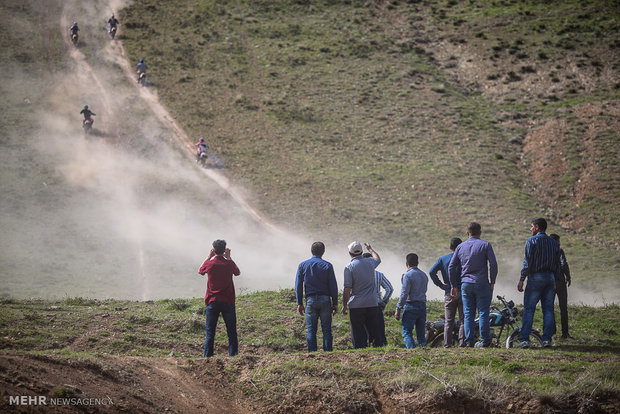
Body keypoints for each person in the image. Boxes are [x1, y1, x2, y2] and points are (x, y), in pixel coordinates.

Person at [448, 222, 498, 348]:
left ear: (467, 233)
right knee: (483, 312)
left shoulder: (460, 247)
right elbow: (493, 264)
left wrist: (453, 285)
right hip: (482, 282)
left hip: (466, 284)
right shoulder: (485, 245)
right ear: (480, 232)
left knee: (468, 313)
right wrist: (492, 281)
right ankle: (485, 341)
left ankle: (469, 341)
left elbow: (451, 267)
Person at [517, 218, 560, 348]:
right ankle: (547, 340)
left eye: (531, 226)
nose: (530, 229)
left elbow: (527, 262)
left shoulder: (531, 241)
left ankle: (524, 339)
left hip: (536, 277)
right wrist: (556, 280)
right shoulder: (554, 243)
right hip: (550, 278)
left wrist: (522, 279)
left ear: (536, 227)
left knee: (529, 309)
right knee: (548, 310)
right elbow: (557, 263)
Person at [198, 239, 241, 357]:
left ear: (214, 250)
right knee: (231, 332)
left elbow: (200, 271)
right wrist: (229, 258)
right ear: (224, 250)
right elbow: (237, 272)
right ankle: (233, 356)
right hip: (228, 301)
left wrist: (208, 257)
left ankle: (207, 357)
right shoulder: (228, 264)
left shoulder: (209, 264)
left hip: (212, 301)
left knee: (210, 332)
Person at [295, 242, 338, 352]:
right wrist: (335, 303)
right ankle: (328, 353)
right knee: (327, 330)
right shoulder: (328, 265)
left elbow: (298, 285)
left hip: (310, 300)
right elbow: (333, 285)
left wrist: (299, 303)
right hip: (325, 299)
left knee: (311, 330)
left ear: (311, 251)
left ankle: (312, 354)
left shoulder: (303, 265)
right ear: (323, 252)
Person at [341, 241, 383, 349]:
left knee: (358, 333)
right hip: (372, 303)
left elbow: (347, 289)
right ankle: (377, 353)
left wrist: (344, 305)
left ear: (350, 253)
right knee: (374, 332)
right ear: (362, 251)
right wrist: (370, 249)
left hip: (356, 305)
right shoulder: (370, 262)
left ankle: (361, 354)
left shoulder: (349, 267)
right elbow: (378, 259)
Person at [429, 237, 464, 347]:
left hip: (449, 291)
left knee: (449, 321)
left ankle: (447, 344)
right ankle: (463, 343)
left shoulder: (443, 259)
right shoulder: (465, 259)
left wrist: (440, 285)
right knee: (464, 320)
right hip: (463, 291)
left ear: (450, 247)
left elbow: (431, 272)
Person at [394, 253, 428, 348]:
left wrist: (398, 308)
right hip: (422, 305)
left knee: (406, 332)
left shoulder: (408, 275)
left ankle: (412, 352)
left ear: (406, 263)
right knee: (421, 334)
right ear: (417, 262)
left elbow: (404, 293)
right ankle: (423, 352)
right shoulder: (424, 275)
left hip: (411, 306)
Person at [363, 252, 393, 346]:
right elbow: (389, 288)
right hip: (376, 305)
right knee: (379, 330)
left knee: (365, 330)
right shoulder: (379, 275)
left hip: (363, 305)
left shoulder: (359, 274)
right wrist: (383, 302)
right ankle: (380, 347)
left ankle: (367, 347)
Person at [549, 233, 572, 339]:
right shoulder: (559, 251)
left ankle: (552, 331)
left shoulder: (546, 252)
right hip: (560, 281)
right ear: (556, 241)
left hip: (549, 282)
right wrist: (568, 276)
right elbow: (564, 264)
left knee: (550, 307)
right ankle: (565, 333)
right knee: (563, 307)